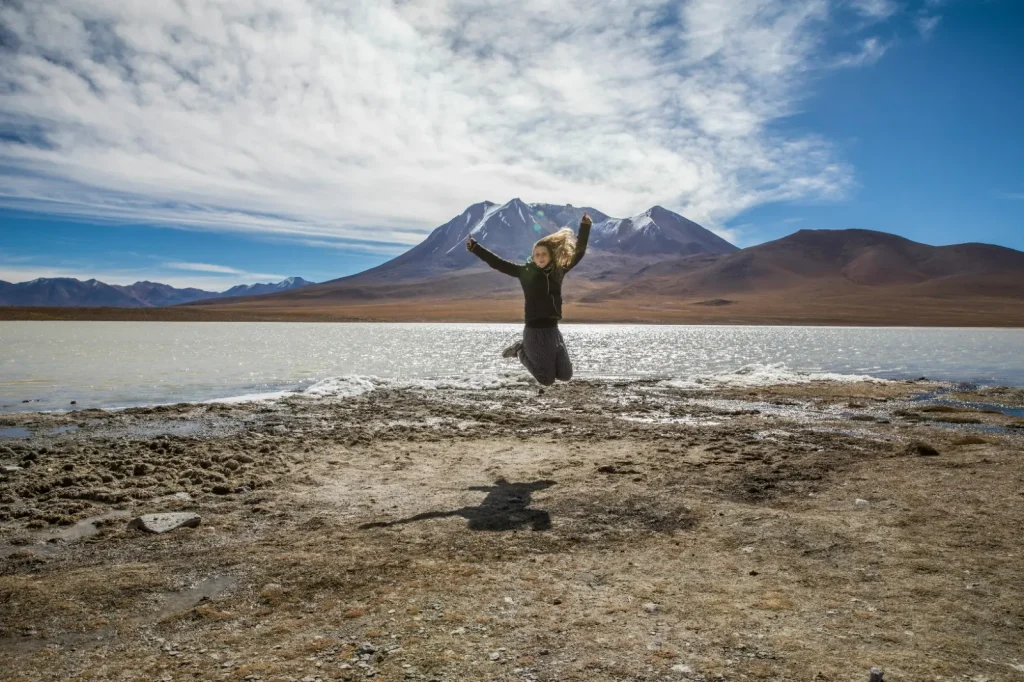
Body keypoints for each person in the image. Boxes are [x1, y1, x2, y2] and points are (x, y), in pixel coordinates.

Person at [466, 213, 592, 386]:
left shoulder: (558, 271)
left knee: (565, 375)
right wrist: (476, 248)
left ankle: (542, 353)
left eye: (543, 254)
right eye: (536, 254)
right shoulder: (525, 273)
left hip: (553, 331)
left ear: (551, 255)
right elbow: (498, 263)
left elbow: (579, 252)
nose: (540, 257)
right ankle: (520, 349)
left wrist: (585, 227)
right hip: (534, 331)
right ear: (532, 257)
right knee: (546, 380)